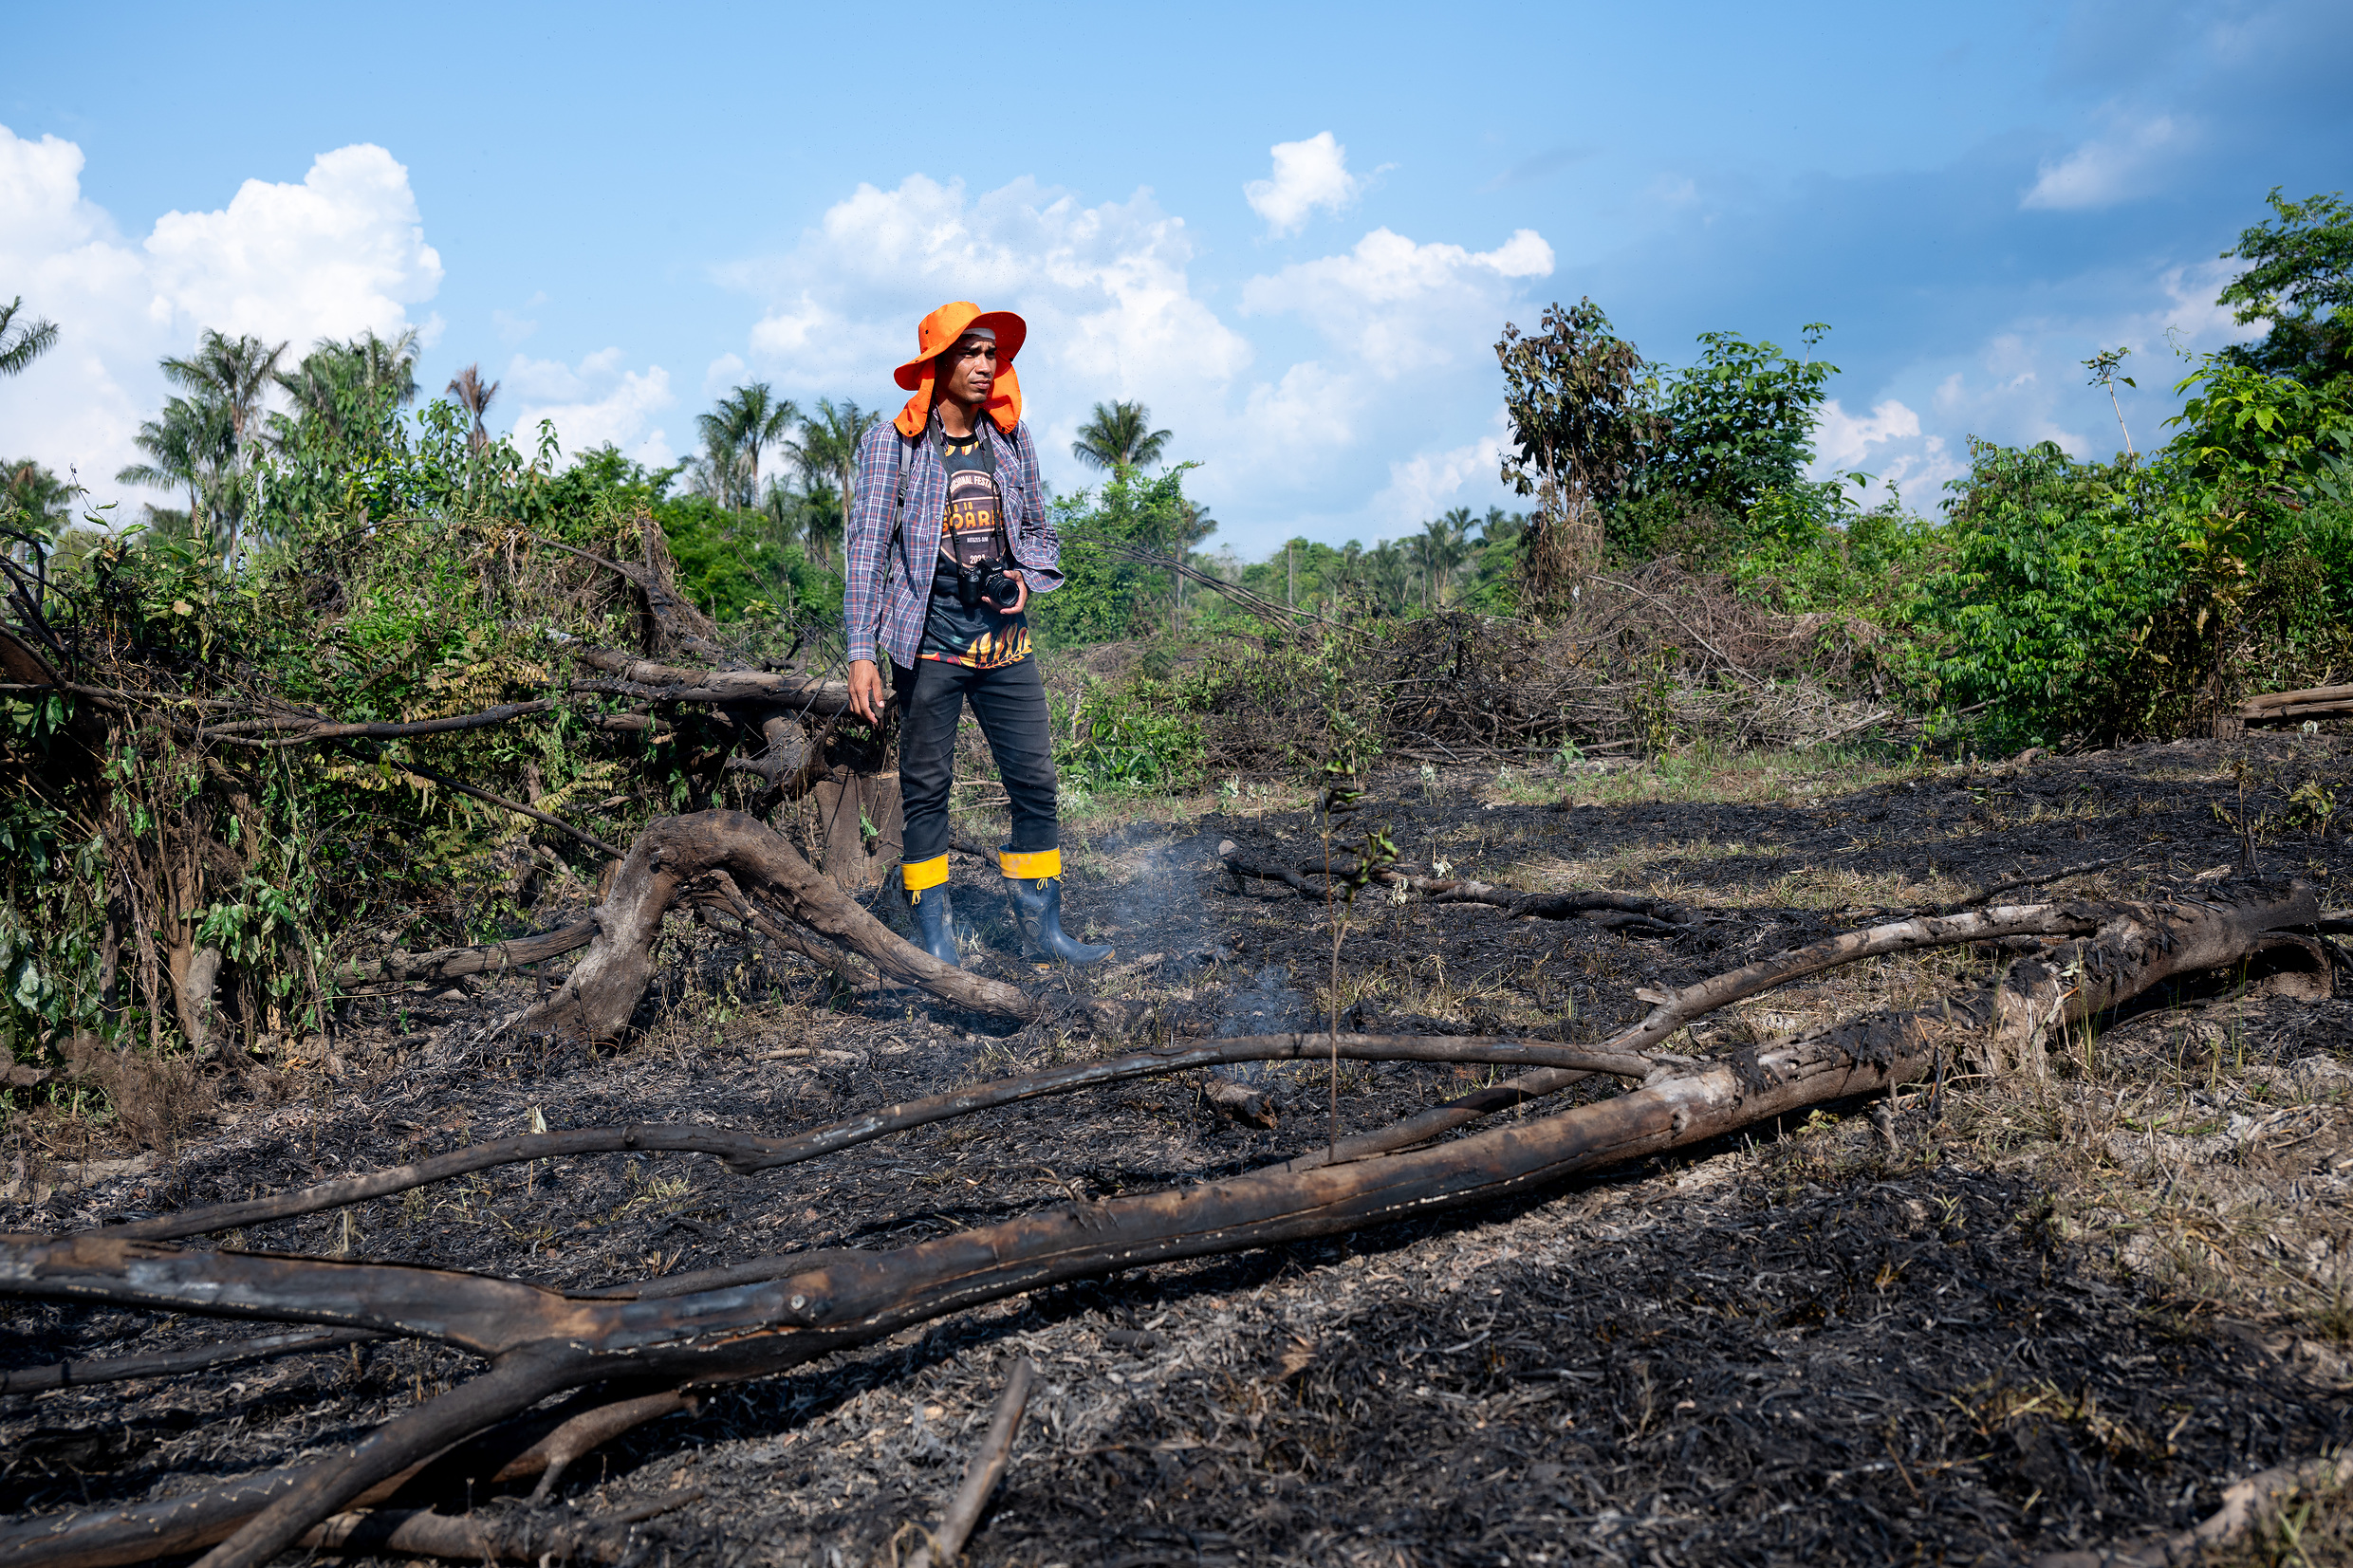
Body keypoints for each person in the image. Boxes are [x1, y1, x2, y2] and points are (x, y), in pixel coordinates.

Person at [843, 301, 1111, 970]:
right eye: (971, 352)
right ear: (939, 362)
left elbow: (1043, 532)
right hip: (928, 644)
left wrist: (1024, 573)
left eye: (993, 353)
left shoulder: (1010, 439)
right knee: (927, 789)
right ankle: (936, 942)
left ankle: (1041, 926)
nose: (986, 365)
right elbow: (867, 550)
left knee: (1035, 781)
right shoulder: (893, 445)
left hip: (1005, 645)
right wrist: (861, 653)